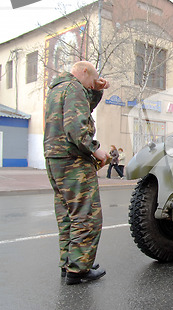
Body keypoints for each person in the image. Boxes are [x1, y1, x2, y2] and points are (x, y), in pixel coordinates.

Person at [44, 61, 108, 285]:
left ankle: (69, 263)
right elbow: (76, 128)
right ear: (83, 72)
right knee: (87, 215)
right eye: (92, 81)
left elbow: (85, 107)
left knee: (67, 216)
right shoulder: (74, 88)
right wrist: (96, 150)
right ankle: (79, 270)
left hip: (55, 158)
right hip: (73, 160)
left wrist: (97, 91)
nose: (92, 86)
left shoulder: (56, 89)